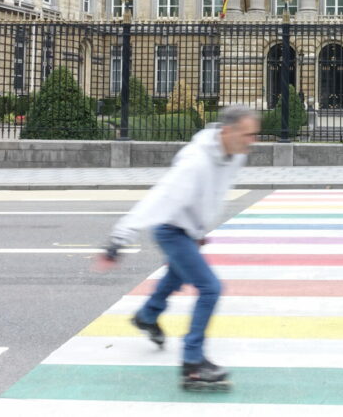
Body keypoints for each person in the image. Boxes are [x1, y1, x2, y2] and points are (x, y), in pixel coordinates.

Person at [96, 105, 261, 387]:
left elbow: (212, 193)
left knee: (178, 273)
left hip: (188, 229)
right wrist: (119, 239)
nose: (252, 141)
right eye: (247, 134)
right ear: (227, 131)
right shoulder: (194, 162)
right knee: (211, 288)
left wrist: (199, 230)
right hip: (170, 229)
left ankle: (148, 315)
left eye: (254, 135)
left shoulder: (233, 155)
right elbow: (160, 199)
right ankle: (192, 364)